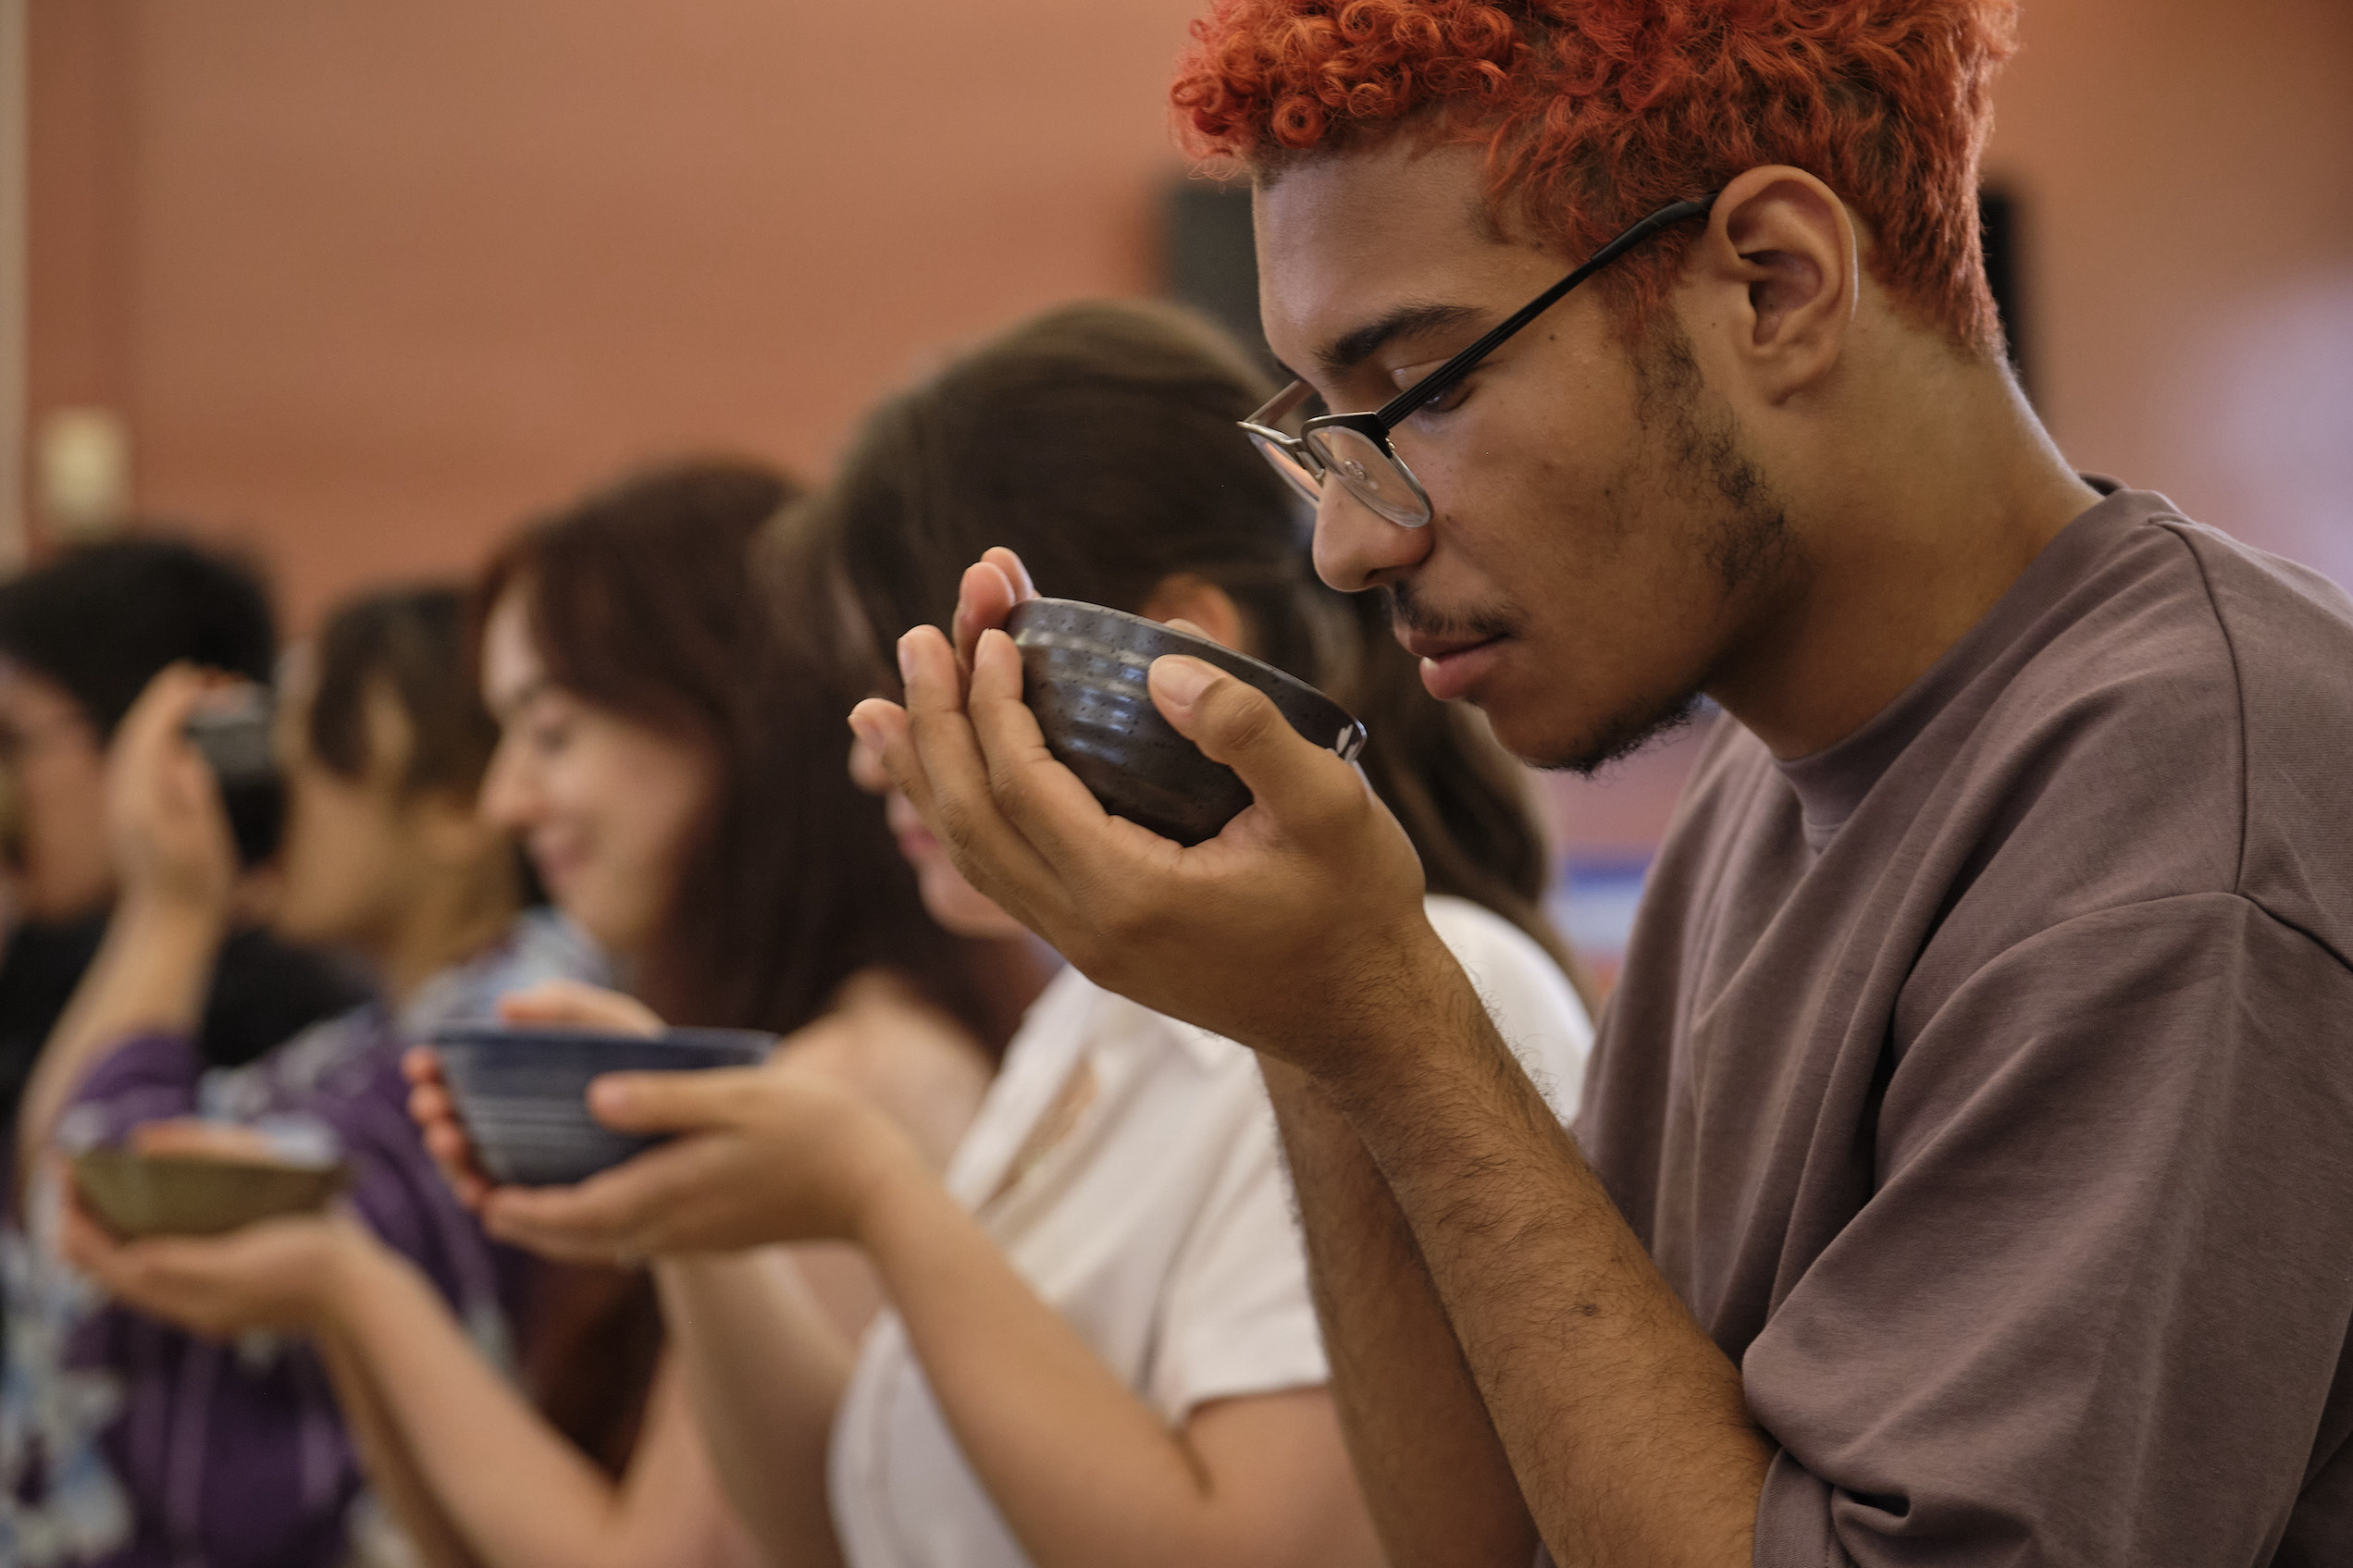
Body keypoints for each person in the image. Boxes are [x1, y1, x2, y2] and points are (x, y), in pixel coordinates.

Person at [850, 3, 2353, 1564]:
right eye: (1320, 427)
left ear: (1773, 285)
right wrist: (1311, 1029)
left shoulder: (2183, 814)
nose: (1350, 543)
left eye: (1422, 389)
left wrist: (1394, 1016)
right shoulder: (1760, 787)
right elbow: (1499, 1541)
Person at [411, 301, 1595, 1568]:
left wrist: (877, 1195)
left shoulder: (1434, 986)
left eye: (925, 684)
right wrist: (696, 1214)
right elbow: (843, 1525)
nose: (877, 760)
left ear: (1175, 653)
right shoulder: (1097, 1011)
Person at [59, 462, 1036, 1568]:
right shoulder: (778, 1044)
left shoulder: (850, 1075)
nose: (503, 800)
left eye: (552, 734)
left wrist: (347, 1285)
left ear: (727, 721)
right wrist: (336, 1294)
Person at [0, 586, 596, 1567]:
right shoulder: (383, 1028)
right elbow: (68, 1166)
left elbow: (109, 1202)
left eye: (320, 739)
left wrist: (171, 907)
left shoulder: (517, 1030)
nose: (279, 775)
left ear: (455, 804)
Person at [0, 538, 363, 1166]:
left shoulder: (276, 1015)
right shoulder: (35, 959)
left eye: (9, 739)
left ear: (181, 736)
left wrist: (168, 907)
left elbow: (64, 1221)